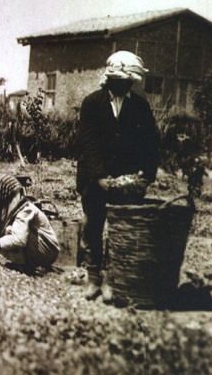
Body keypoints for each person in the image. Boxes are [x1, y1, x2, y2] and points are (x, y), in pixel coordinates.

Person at [76, 51, 160, 301]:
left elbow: (150, 143)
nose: (127, 85)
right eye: (123, 81)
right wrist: (100, 175)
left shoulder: (140, 106)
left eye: (130, 81)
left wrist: (146, 173)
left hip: (126, 180)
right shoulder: (92, 103)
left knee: (120, 230)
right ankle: (93, 278)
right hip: (94, 179)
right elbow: (88, 143)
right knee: (93, 227)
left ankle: (112, 279)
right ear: (112, 78)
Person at [0, 173, 60, 269]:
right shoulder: (1, 208)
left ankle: (27, 264)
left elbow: (19, 240)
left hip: (46, 251)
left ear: (2, 192)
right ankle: (23, 262)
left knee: (9, 231)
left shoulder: (25, 209)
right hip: (32, 247)